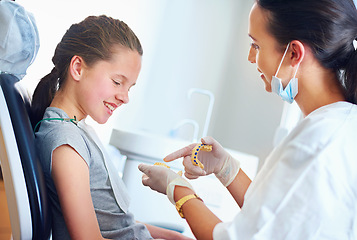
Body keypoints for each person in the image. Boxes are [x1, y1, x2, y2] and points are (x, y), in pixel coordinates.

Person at [138, 0, 357, 239]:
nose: (251, 57)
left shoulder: (318, 140)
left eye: (256, 45)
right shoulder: (338, 125)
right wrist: (227, 169)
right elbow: (277, 218)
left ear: (294, 53)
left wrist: (177, 189)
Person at [32, 15, 192, 240]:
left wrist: (173, 237)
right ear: (77, 67)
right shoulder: (66, 143)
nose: (125, 98)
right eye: (117, 82)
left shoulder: (76, 130)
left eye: (130, 87)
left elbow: (115, 224)